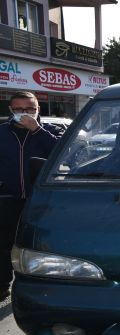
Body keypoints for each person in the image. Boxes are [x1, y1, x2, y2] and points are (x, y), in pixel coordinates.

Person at [0, 91, 61, 301]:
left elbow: (64, 154)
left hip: (42, 200)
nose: (24, 113)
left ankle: (41, 286)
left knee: (41, 245)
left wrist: (36, 129)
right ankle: (2, 285)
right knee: (4, 243)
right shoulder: (2, 132)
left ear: (38, 109)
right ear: (10, 110)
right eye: (18, 109)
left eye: (29, 109)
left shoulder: (51, 131)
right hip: (7, 197)